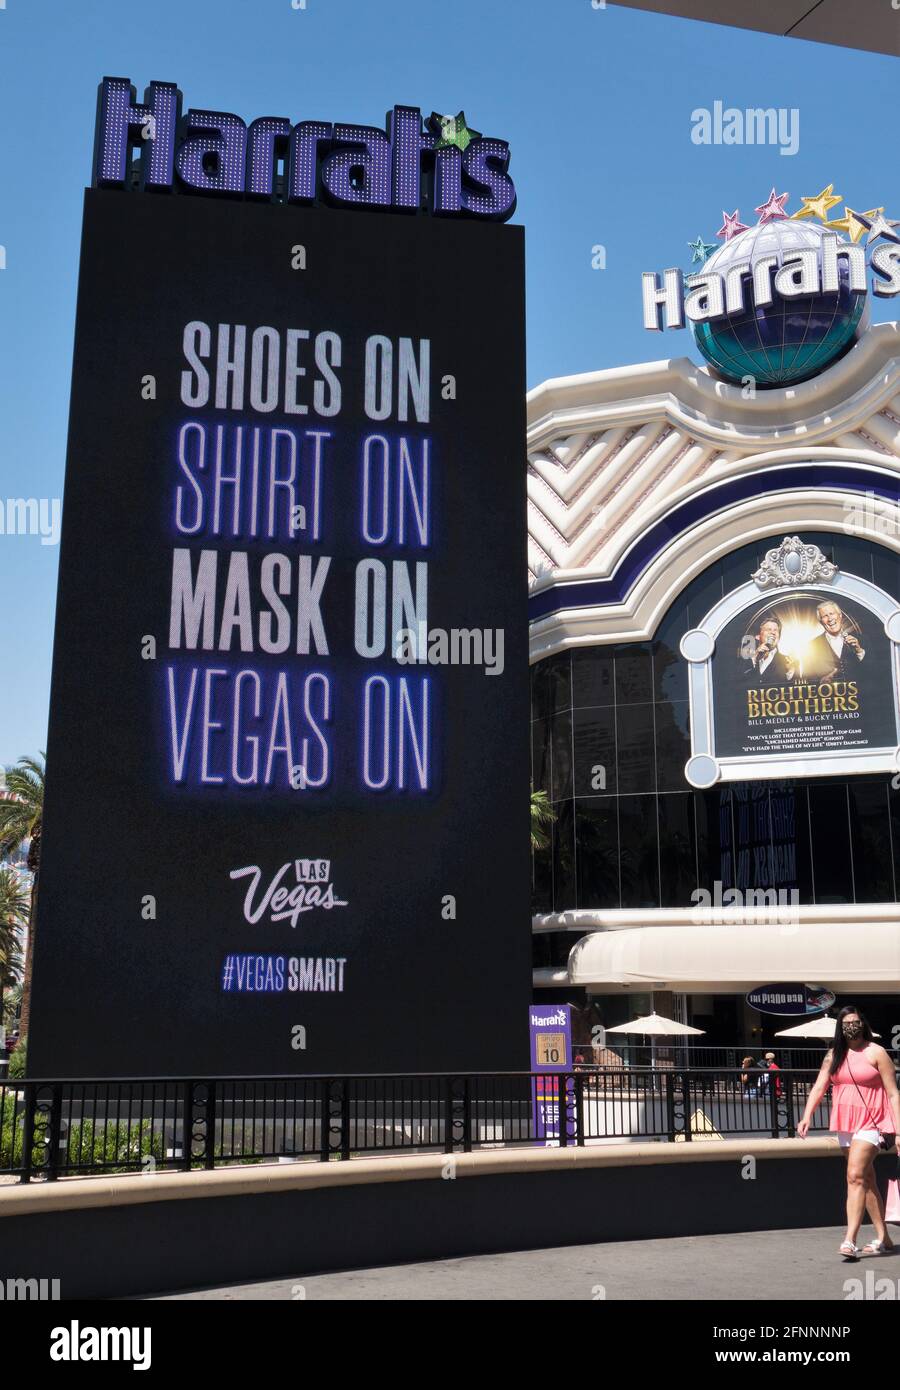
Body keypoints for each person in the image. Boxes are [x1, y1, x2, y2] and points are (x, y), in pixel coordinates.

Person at [797, 1006, 900, 1259]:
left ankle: (849, 1239)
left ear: (863, 1024)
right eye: (846, 1023)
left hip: (873, 1121)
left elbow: (893, 1093)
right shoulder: (834, 1056)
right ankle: (884, 1237)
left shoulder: (876, 1052)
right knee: (866, 1180)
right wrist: (806, 1116)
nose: (851, 1027)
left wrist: (898, 1130)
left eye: (855, 1022)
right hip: (845, 1122)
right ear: (840, 1028)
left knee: (854, 1175)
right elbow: (820, 1086)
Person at [803, 601, 865, 682]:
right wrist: (820, 683)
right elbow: (807, 680)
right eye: (825, 616)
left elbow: (874, 672)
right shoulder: (811, 646)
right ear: (821, 622)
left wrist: (859, 651)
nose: (830, 619)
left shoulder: (862, 640)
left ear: (840, 615)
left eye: (832, 613)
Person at [741, 616, 795, 683]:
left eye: (776, 630)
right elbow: (738, 679)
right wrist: (754, 657)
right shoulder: (747, 658)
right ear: (758, 636)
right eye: (769, 629)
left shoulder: (787, 661)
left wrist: (790, 672)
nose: (773, 632)